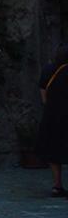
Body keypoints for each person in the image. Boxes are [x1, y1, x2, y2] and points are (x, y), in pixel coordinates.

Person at [37, 44, 68, 197]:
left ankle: (57, 185)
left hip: (52, 115)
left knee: (54, 150)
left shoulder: (48, 70)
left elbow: (43, 95)